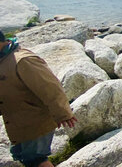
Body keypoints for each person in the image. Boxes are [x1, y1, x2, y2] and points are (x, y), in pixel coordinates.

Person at [0, 31, 77, 167]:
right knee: (22, 156)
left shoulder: (23, 60)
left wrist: (63, 113)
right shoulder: (3, 59)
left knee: (36, 159)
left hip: (35, 120)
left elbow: (50, 87)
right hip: (17, 121)